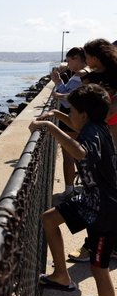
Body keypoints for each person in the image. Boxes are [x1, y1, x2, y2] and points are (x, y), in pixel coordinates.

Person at [29, 84, 117, 296]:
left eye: (72, 111)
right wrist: (56, 115)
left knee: (99, 270)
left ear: (84, 114)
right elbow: (75, 124)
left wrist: (48, 126)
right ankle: (61, 275)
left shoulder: (91, 133)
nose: (70, 115)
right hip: (91, 200)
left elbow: (80, 153)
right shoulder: (97, 126)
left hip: (104, 210)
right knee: (49, 218)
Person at [68, 38, 117, 262]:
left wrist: (107, 111)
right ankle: (98, 244)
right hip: (102, 133)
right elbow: (80, 101)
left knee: (102, 191)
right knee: (100, 189)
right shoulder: (90, 77)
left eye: (87, 56)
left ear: (95, 56)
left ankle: (94, 246)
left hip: (111, 132)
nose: (85, 60)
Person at [50, 47, 88, 200]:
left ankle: (69, 190)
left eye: (69, 60)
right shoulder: (84, 74)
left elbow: (67, 102)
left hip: (72, 120)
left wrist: (58, 82)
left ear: (77, 58)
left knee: (69, 157)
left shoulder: (81, 75)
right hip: (77, 119)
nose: (67, 63)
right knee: (80, 155)